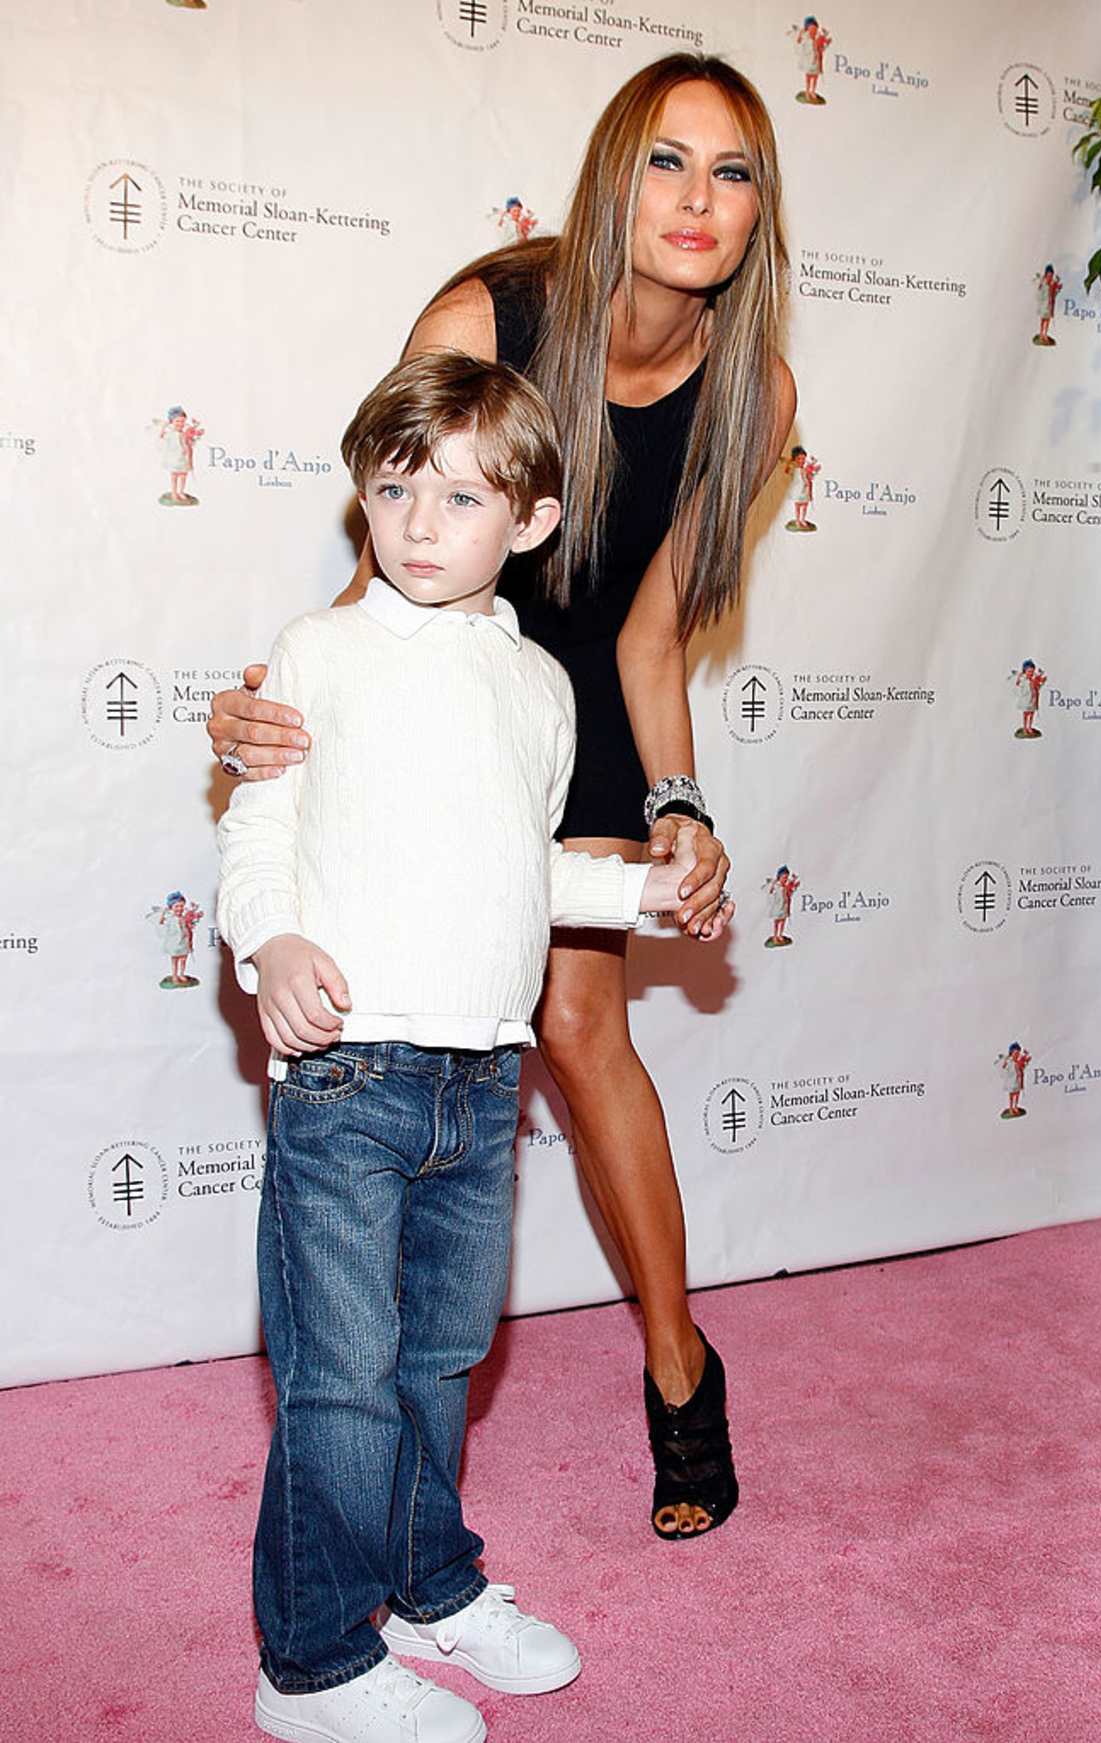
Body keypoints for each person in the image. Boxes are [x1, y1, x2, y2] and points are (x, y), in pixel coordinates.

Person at [207, 52, 796, 1541]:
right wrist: (279, 705)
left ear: (757, 213)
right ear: (615, 173)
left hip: (587, 682)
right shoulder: (490, 315)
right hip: (448, 653)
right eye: (667, 162)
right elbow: (387, 563)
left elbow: (655, 630)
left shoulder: (756, 386)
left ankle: (679, 1361)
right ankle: (393, 1395)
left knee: (582, 1017)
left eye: (732, 175)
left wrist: (682, 799)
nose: (696, 201)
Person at [218, 352, 716, 1743]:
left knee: (439, 1358)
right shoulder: (321, 651)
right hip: (348, 1073)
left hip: (483, 1080)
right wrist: (271, 945)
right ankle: (308, 1658)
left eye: (459, 494)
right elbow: (258, 830)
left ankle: (432, 1582)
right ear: (359, 499)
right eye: (393, 488)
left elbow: (528, 870)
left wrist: (643, 894)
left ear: (534, 522)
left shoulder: (540, 690)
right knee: (337, 1374)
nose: (419, 521)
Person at [783, 444, 820, 531]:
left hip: (804, 490)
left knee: (805, 505)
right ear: (794, 459)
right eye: (799, 459)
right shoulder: (794, 469)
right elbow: (787, 472)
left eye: (803, 459)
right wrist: (788, 464)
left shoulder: (805, 469)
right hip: (797, 490)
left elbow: (809, 474)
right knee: (797, 506)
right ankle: (797, 520)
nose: (802, 461)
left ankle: (803, 519)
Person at [1014, 659, 1046, 737]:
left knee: (1032, 713)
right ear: (1025, 671)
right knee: (1026, 714)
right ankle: (1025, 727)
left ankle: (1029, 727)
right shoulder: (1024, 680)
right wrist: (1019, 678)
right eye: (1029, 671)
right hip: (1026, 700)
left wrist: (1041, 681)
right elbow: (1018, 685)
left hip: (1033, 700)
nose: (1031, 673)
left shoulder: (1034, 680)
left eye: (1032, 671)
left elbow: (1038, 687)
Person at [1033, 264, 1062, 346]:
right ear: (1046, 274)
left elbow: (1054, 291)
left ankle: (1044, 334)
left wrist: (1057, 288)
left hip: (1049, 304)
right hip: (1044, 304)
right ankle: (1042, 334)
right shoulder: (1044, 282)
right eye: (1049, 274)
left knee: (1047, 320)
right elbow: (1040, 290)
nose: (1050, 276)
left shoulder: (1052, 283)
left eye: (1051, 275)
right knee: (1043, 319)